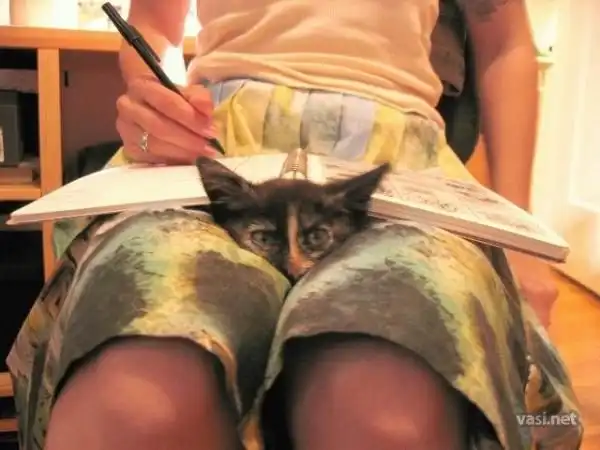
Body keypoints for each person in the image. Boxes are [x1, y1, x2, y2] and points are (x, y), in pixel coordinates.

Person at [7, 0, 582, 449]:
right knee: (137, 403)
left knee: (384, 407)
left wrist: (521, 241)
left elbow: (504, 39)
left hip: (397, 169)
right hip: (215, 158)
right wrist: (156, 98)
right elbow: (153, 25)